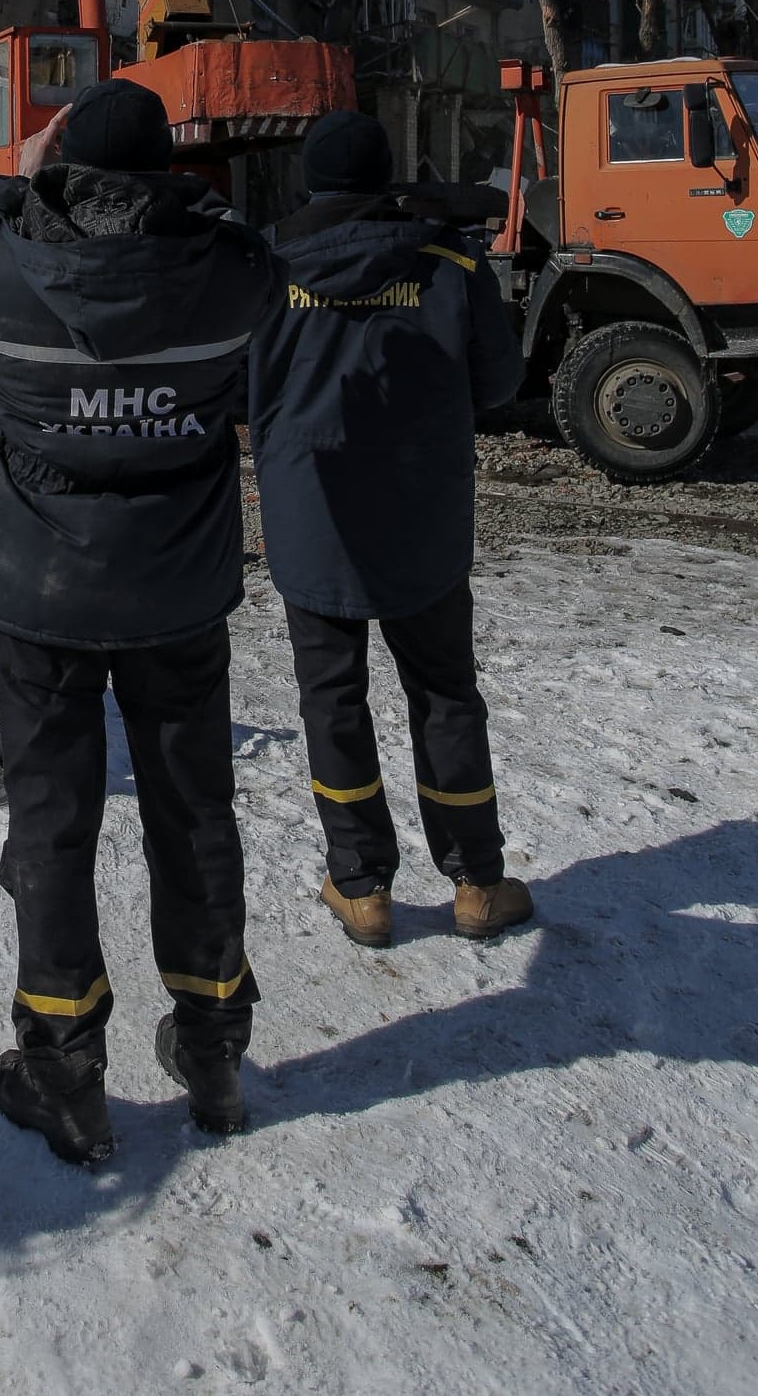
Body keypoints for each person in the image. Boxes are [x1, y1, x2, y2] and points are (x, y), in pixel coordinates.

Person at [0, 77, 281, 1163]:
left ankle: (64, 1068)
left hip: (38, 595)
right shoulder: (226, 278)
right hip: (175, 591)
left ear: (61, 170)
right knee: (193, 812)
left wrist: (4, 191)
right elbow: (255, 255)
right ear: (171, 173)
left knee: (52, 820)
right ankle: (212, 1043)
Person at [247, 108, 531, 948]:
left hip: (310, 517)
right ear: (385, 176)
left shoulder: (265, 269)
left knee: (330, 699)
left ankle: (360, 886)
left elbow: (233, 389)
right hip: (422, 518)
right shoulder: (446, 260)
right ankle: (477, 881)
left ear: (309, 181)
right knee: (444, 694)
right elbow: (498, 382)